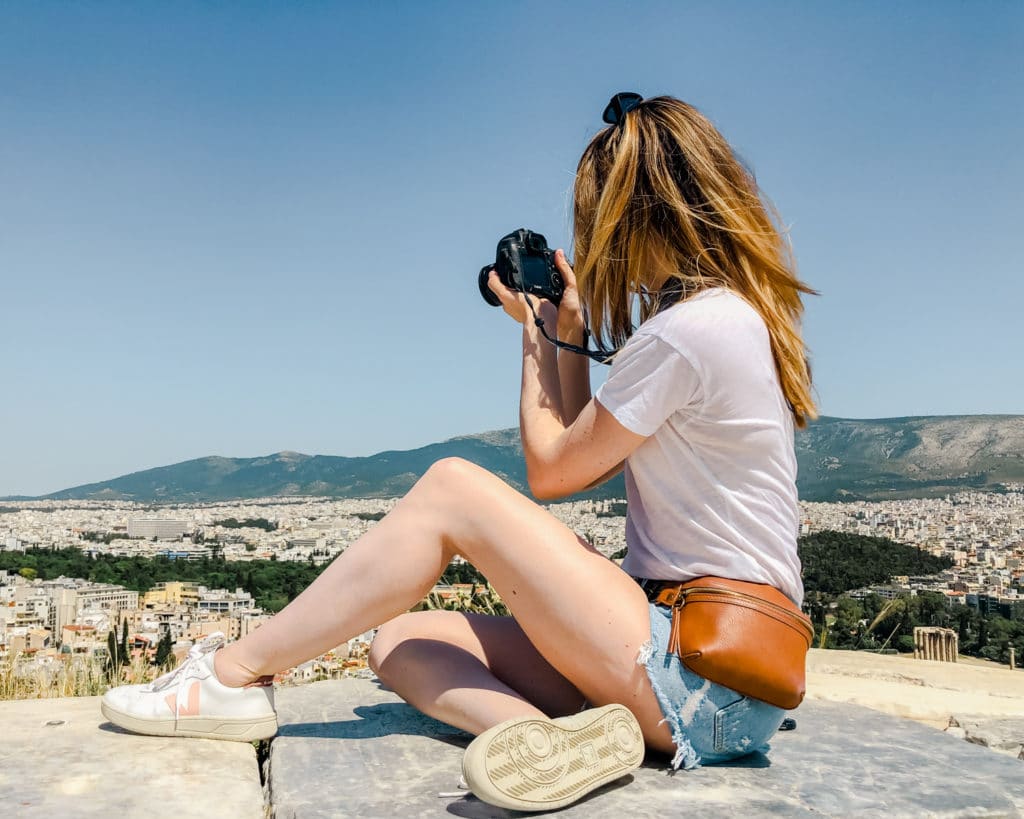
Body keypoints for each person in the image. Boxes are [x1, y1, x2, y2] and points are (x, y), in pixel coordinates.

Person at [101, 92, 817, 812]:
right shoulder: (727, 319)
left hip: (700, 670)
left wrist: (534, 337)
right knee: (401, 642)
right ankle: (544, 741)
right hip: (712, 682)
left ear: (631, 214)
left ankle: (231, 676)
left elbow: (552, 470)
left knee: (451, 485)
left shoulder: (688, 330)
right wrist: (562, 333)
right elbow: (580, 452)